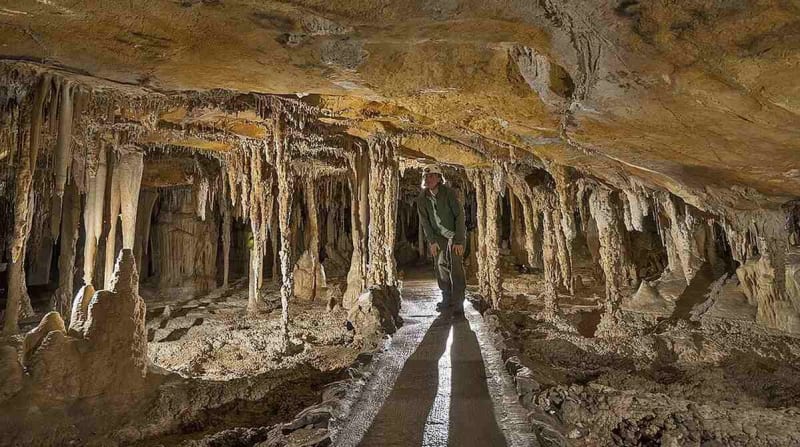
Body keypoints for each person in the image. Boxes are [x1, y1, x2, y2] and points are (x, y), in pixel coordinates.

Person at [415, 166, 467, 315]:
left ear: (439, 178)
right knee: (440, 265)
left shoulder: (448, 193)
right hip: (439, 236)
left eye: (431, 176)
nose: (428, 179)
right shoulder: (422, 199)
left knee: (455, 266)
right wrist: (432, 241)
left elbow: (459, 216)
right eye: (426, 176)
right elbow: (425, 222)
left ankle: (458, 303)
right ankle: (447, 298)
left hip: (455, 233)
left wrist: (458, 240)